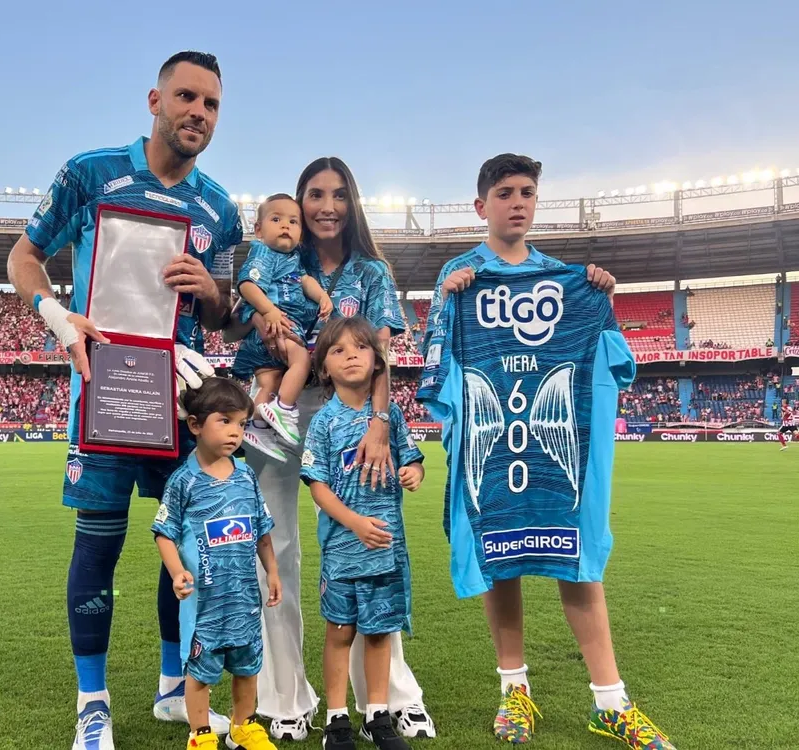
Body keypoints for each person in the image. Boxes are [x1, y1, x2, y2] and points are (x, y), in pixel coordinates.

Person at [6, 50, 240, 750]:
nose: (199, 112)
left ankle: (175, 689)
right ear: (155, 99)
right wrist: (55, 313)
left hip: (184, 406)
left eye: (213, 104)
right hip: (106, 394)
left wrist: (210, 288)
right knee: (98, 549)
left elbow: (227, 312)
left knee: (187, 549)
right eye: (187, 97)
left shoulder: (220, 207)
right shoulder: (92, 173)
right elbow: (23, 258)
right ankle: (93, 704)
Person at [418, 153, 675, 749]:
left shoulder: (565, 278)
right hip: (489, 443)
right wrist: (446, 300)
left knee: (576, 559)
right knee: (500, 560)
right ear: (482, 206)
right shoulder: (459, 275)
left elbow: (614, 358)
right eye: (504, 192)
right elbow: (435, 354)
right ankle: (516, 692)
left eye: (527, 192)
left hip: (558, 446)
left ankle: (610, 701)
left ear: (537, 202)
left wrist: (599, 292)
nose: (517, 202)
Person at [201, 156, 436, 742]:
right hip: (276, 407)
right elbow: (229, 325)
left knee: (369, 539)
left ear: (351, 203)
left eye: (337, 195)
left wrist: (381, 423)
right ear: (298, 205)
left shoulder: (371, 272)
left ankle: (388, 695)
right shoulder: (277, 255)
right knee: (275, 545)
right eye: (314, 195)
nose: (326, 206)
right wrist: (255, 319)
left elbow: (381, 350)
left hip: (357, 417)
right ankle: (288, 695)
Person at [300, 317, 425, 750]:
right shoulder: (323, 423)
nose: (350, 355)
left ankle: (377, 715)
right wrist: (353, 522)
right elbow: (317, 486)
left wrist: (413, 471)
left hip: (387, 547)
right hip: (343, 549)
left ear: (377, 362)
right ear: (324, 368)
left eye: (360, 347)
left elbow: (414, 459)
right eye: (338, 350)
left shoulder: (390, 420)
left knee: (378, 633)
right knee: (339, 633)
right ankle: (336, 720)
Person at [153, 378, 283, 750]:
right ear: (195, 424)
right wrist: (177, 571)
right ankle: (201, 733)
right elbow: (164, 532)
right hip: (204, 602)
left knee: (248, 665)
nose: (235, 432)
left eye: (241, 423)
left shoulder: (246, 477)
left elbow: (262, 530)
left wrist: (272, 570)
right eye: (224, 421)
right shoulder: (184, 481)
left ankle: (243, 726)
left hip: (243, 597)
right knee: (201, 671)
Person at [232, 193, 333, 458]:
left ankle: (256, 426)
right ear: (258, 230)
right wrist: (269, 311)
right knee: (301, 361)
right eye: (276, 219)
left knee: (269, 383)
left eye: (293, 221)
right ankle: (284, 408)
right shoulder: (263, 253)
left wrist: (322, 296)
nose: (285, 226)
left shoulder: (293, 260)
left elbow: (305, 280)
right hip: (277, 328)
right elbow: (247, 285)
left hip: (267, 340)